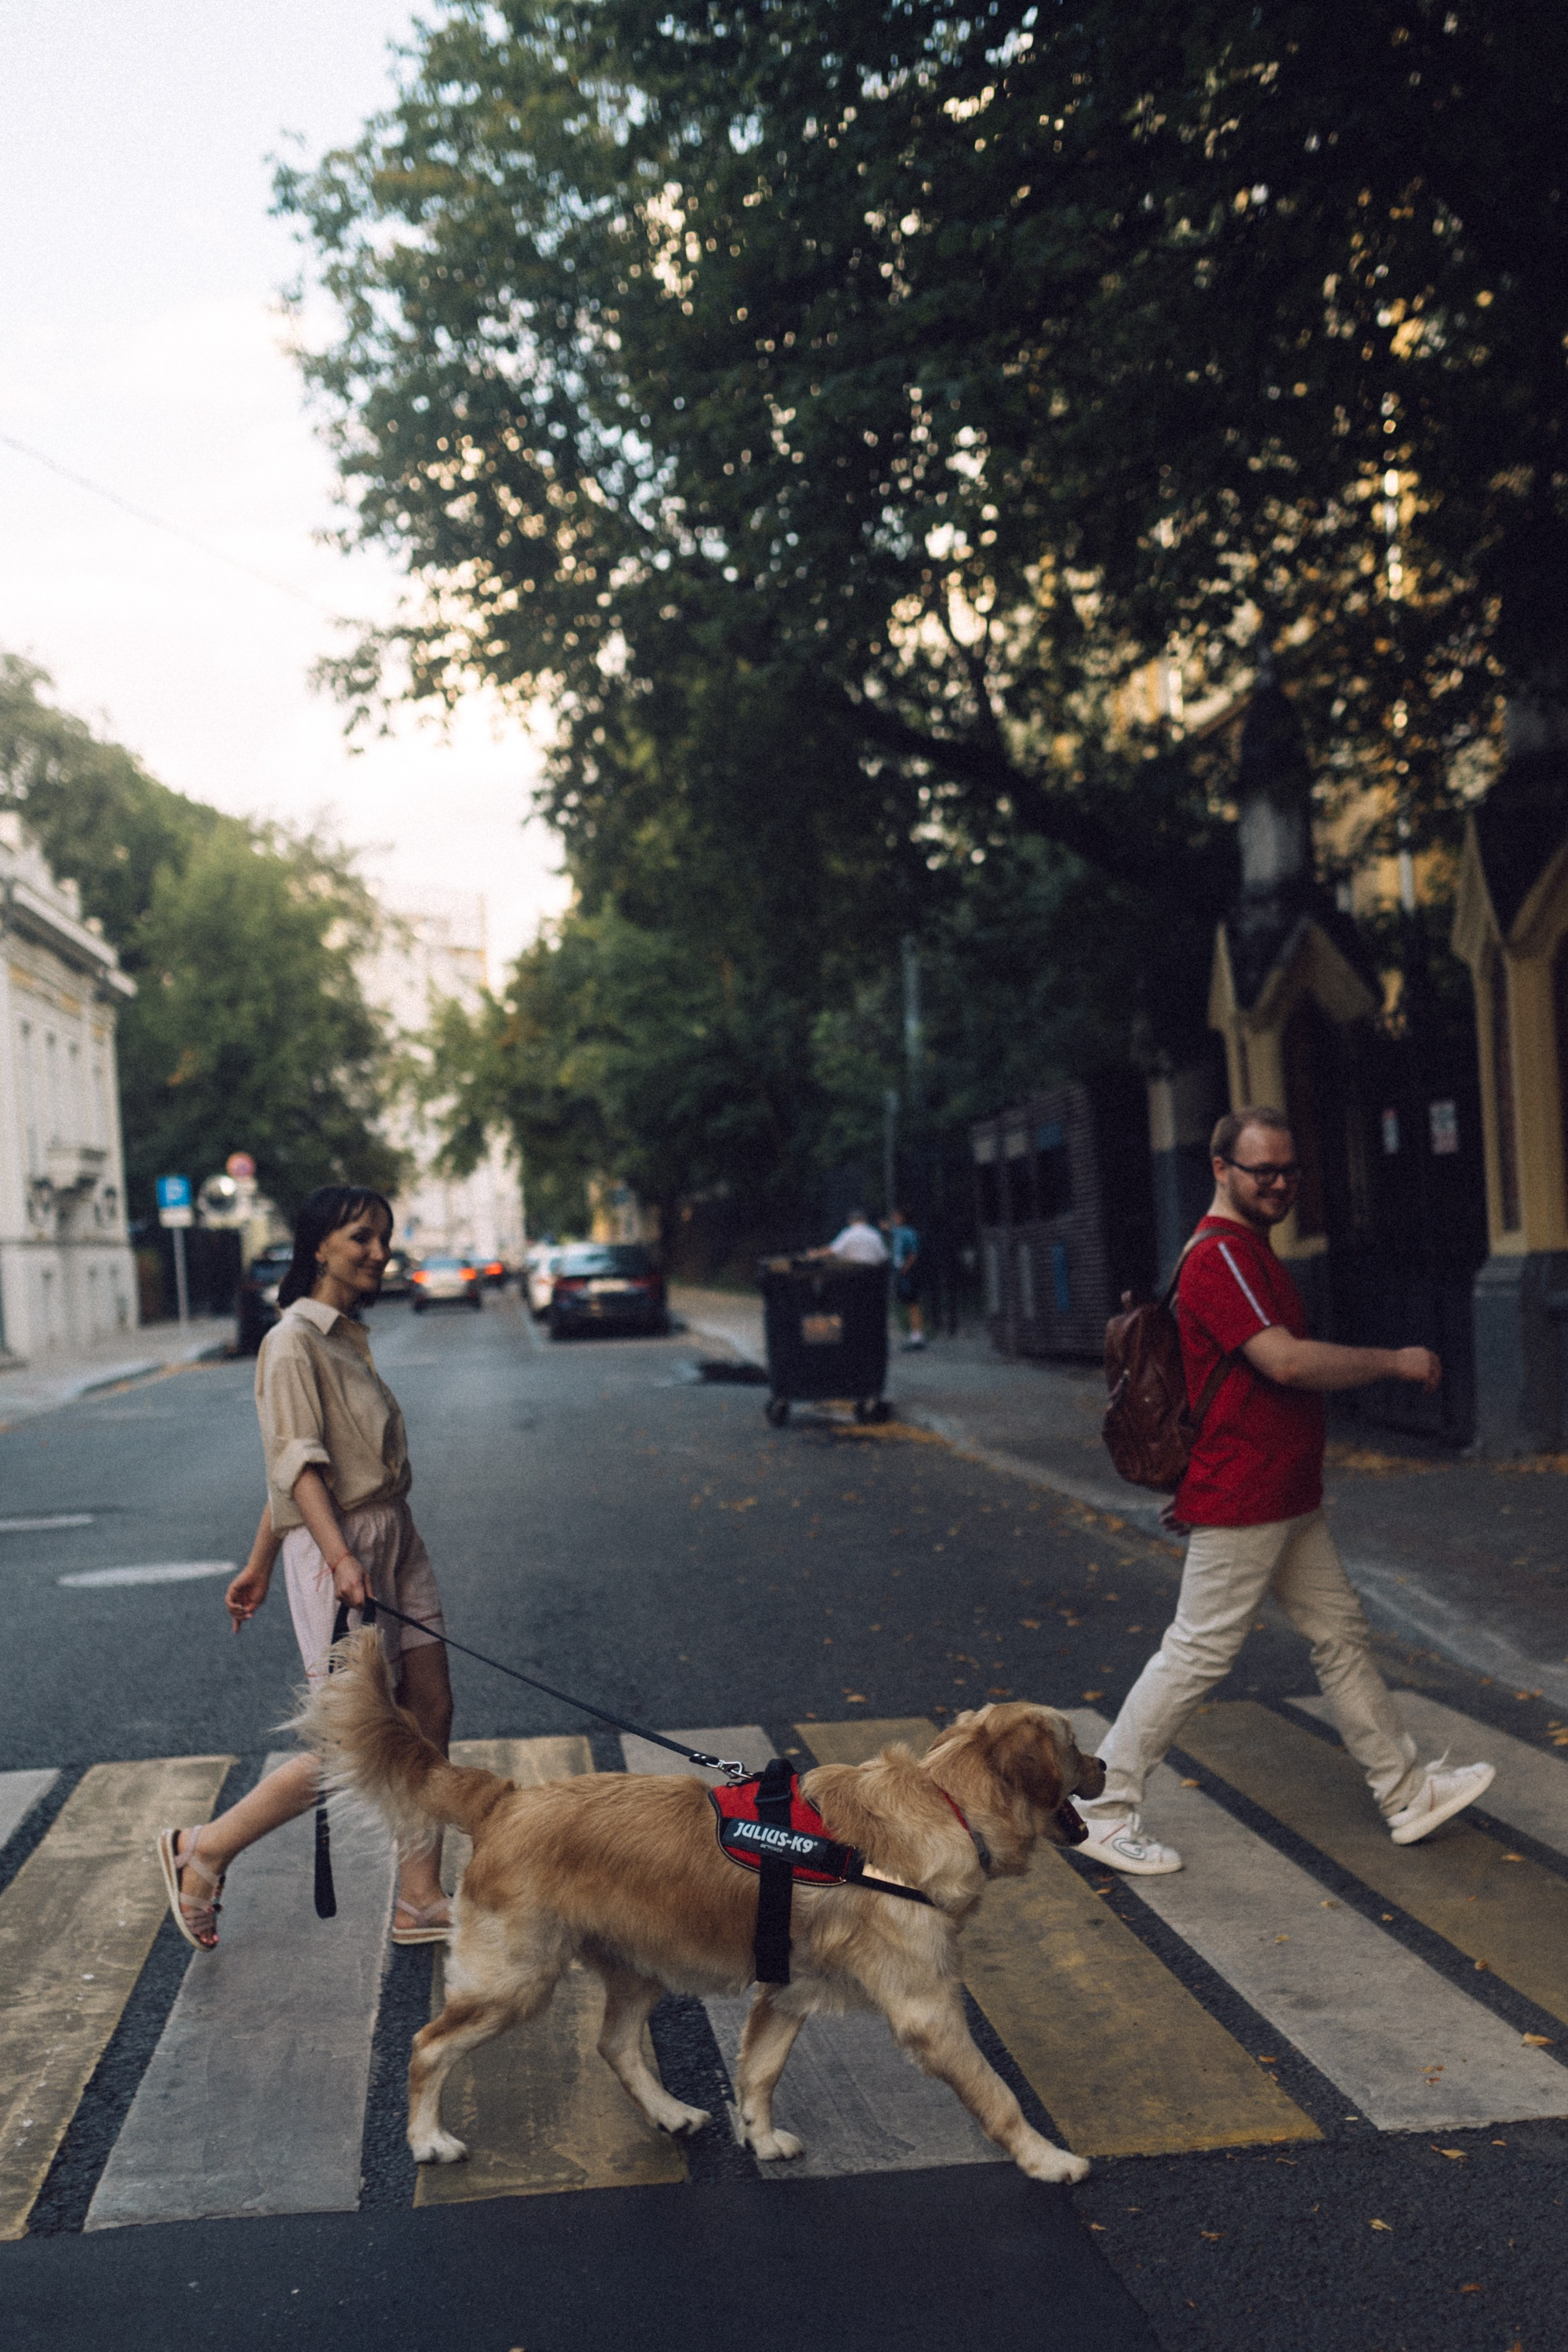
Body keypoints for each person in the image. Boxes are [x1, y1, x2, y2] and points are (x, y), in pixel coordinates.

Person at [1077, 1106, 1495, 1876]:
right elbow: (1288, 1365)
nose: (1277, 1184)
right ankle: (1102, 1804)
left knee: (1340, 1637)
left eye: (1288, 1170)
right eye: (1260, 1170)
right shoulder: (1221, 1258)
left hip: (1283, 1492)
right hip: (1247, 1490)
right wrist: (1395, 1362)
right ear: (1220, 1170)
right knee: (1197, 1651)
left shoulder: (1247, 1251)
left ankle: (1406, 1795)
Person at [157, 1185, 456, 1950]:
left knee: (434, 1707)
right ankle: (206, 1848)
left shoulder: (343, 1336)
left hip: (395, 1533)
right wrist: (335, 1556)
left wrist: (255, 1562)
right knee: (356, 1740)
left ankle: (419, 1896)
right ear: (318, 1244)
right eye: (362, 1238)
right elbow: (297, 1465)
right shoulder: (290, 1340)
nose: (379, 1253)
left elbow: (297, 1462)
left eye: (383, 1239)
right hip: (342, 1544)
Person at [886, 1208, 926, 1349]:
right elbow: (890, 1229)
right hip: (901, 1270)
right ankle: (914, 1336)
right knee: (909, 1304)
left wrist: (905, 1268)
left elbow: (914, 1253)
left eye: (896, 1216)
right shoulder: (898, 1232)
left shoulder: (909, 1232)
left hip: (907, 1272)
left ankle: (918, 1338)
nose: (894, 1219)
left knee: (913, 1304)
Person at [822, 1208, 889, 1265]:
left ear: (850, 1220)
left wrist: (814, 1254)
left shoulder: (849, 1233)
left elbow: (834, 1250)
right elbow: (884, 1256)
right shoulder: (874, 1233)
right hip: (873, 1273)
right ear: (865, 1219)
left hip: (852, 1272)